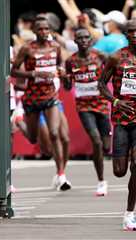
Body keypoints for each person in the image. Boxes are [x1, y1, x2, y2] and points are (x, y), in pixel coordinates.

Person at [11, 17, 71, 191]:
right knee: (32, 138)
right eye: (40, 29)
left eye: (47, 29)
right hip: (32, 98)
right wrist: (35, 74)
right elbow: (14, 70)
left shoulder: (56, 47)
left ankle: (61, 175)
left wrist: (61, 70)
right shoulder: (27, 48)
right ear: (35, 31)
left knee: (54, 133)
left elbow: (61, 64)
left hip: (50, 96)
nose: (44, 32)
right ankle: (19, 120)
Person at [62, 28, 111, 196]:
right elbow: (68, 87)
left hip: (102, 104)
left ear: (91, 40)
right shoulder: (71, 61)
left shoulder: (100, 56)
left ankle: (105, 146)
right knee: (96, 142)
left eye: (86, 38)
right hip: (84, 107)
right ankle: (101, 181)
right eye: (80, 38)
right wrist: (65, 79)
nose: (83, 41)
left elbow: (112, 73)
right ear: (75, 41)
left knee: (105, 146)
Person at [98, 19, 136, 231]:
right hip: (122, 119)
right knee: (120, 171)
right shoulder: (116, 57)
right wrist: (115, 101)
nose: (135, 36)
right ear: (126, 35)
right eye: (131, 32)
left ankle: (130, 213)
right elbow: (101, 84)